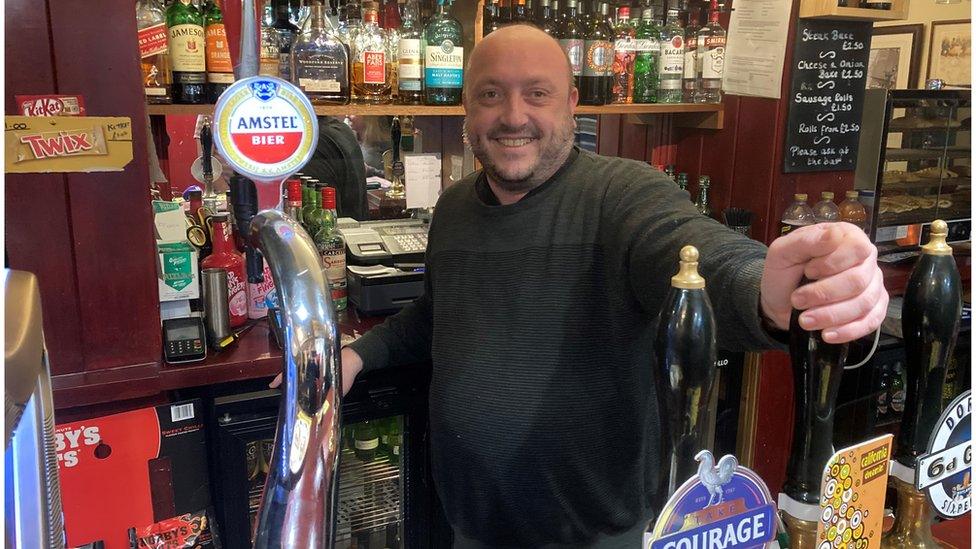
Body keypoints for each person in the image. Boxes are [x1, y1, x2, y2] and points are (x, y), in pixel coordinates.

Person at [286, 25, 888, 548]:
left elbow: (691, 251)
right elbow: (436, 314)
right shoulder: (453, 210)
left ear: (573, 103)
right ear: (466, 109)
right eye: (490, 95)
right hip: (473, 527)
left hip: (598, 534)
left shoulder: (621, 195)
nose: (513, 116)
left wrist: (769, 294)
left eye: (537, 94)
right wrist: (357, 355)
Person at [300, 115, 369, 220]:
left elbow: (322, 218)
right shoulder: (341, 129)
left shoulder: (312, 139)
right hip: (352, 229)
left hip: (336, 230)